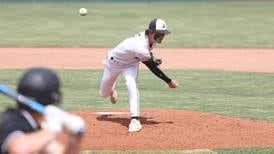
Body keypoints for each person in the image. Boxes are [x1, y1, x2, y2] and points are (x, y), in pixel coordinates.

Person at [99, 18, 178, 133]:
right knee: (103, 94)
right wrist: (169, 81)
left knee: (131, 84)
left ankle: (135, 120)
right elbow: (152, 67)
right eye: (159, 34)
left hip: (130, 64)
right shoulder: (139, 45)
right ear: (151, 32)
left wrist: (152, 59)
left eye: (163, 34)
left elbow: (148, 53)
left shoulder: (151, 39)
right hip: (113, 63)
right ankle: (111, 89)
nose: (161, 37)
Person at [0, 67, 85, 154]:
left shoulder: (35, 127)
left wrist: (75, 140)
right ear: (51, 100)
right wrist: (52, 130)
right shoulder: (11, 120)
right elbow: (18, 150)